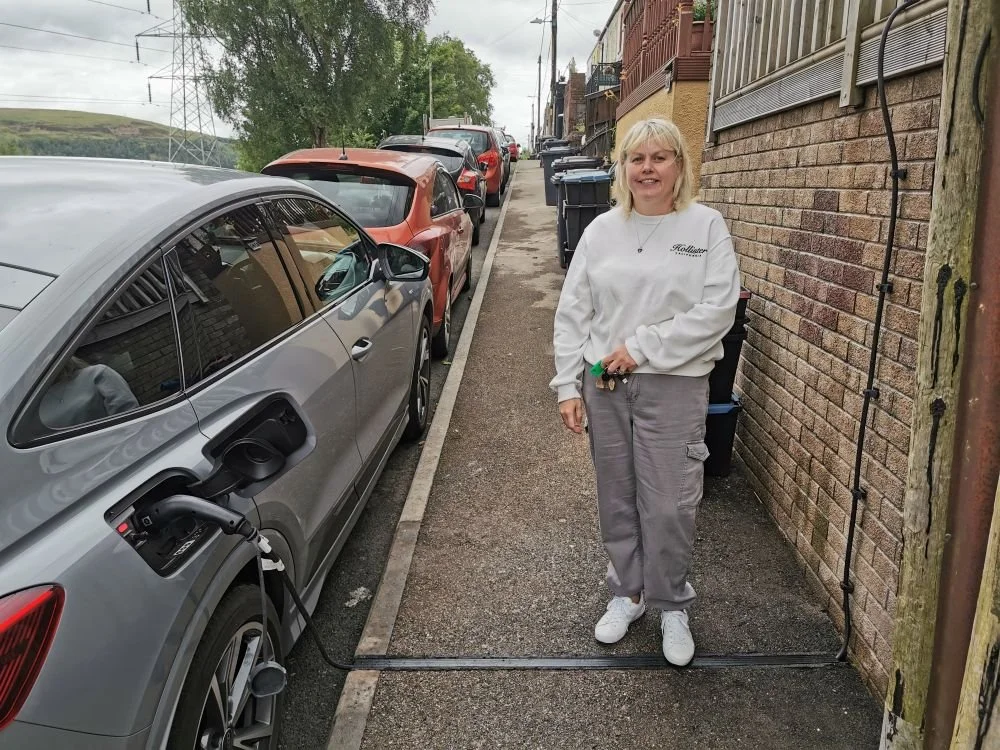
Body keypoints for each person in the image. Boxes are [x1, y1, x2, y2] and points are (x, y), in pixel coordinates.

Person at [549, 118, 741, 666]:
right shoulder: (601, 231)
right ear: (623, 168)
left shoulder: (704, 226)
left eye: (660, 158)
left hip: (673, 383)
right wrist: (567, 384)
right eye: (637, 159)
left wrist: (644, 346)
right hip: (604, 383)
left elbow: (718, 310)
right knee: (618, 497)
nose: (648, 169)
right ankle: (627, 592)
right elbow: (573, 312)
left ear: (679, 165)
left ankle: (671, 603)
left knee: (670, 503)